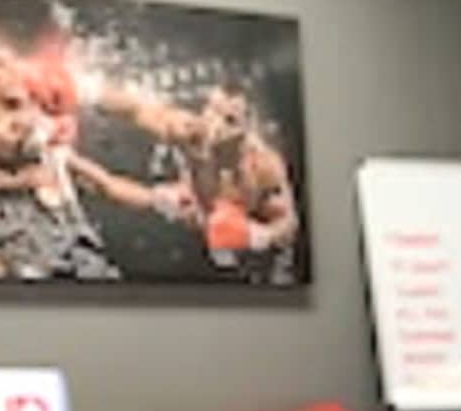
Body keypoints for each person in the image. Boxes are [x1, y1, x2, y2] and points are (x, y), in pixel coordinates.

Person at [84, 77, 304, 279]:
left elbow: (288, 223)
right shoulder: (192, 132)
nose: (214, 125)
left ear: (248, 126)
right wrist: (88, 90)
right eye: (212, 110)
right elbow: (138, 110)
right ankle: (67, 160)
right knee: (132, 194)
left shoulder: (263, 165)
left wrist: (258, 236)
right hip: (197, 210)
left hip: (246, 241)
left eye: (229, 120)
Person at [0, 36, 117, 282]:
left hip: (61, 224)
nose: (10, 70)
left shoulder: (35, 112)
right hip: (14, 223)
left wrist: (160, 199)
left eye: (12, 62)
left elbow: (97, 177)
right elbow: (5, 142)